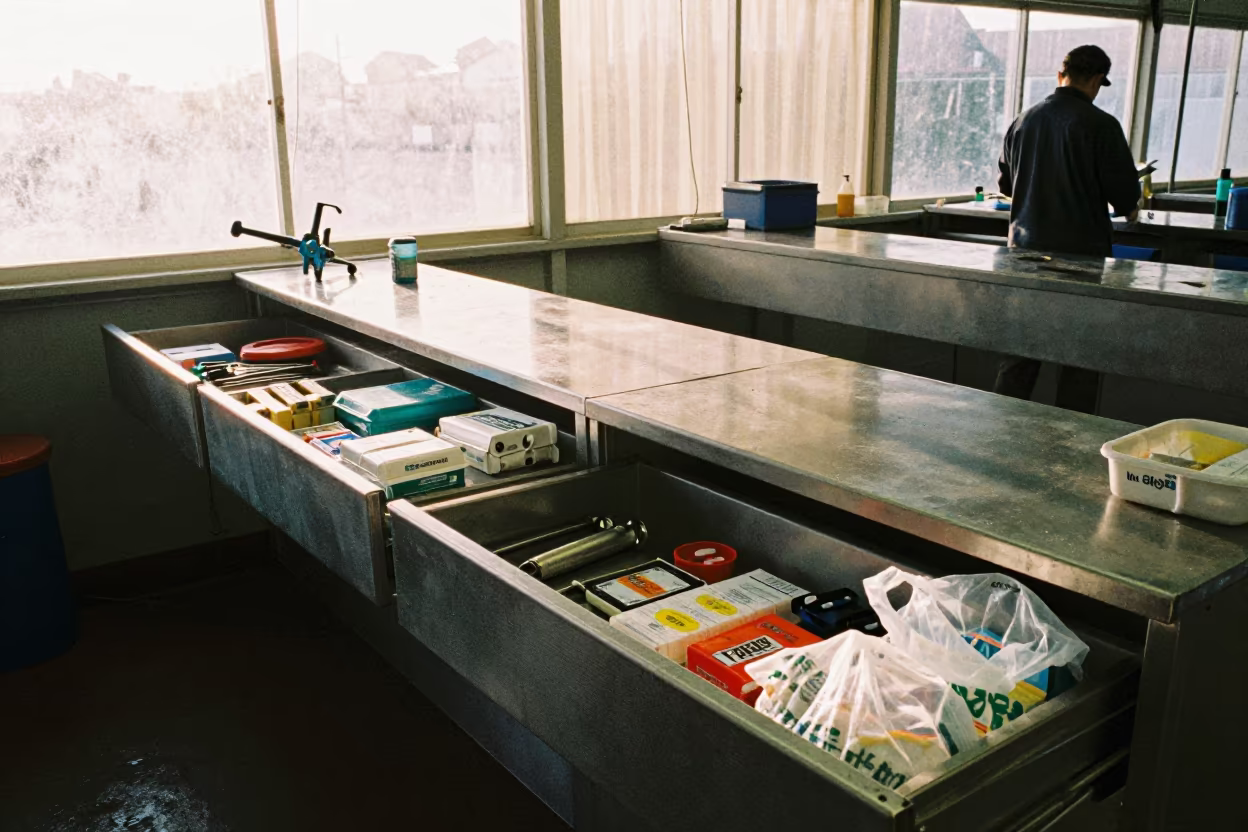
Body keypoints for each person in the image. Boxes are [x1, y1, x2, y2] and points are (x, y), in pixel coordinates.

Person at [992, 44, 1141, 411]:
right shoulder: (1101, 126)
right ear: (1094, 80)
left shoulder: (1024, 120)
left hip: (1024, 256)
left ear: (1063, 74)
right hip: (1082, 261)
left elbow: (1006, 186)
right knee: (1079, 358)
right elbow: (1125, 198)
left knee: (1020, 354)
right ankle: (1070, 443)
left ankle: (1000, 427)